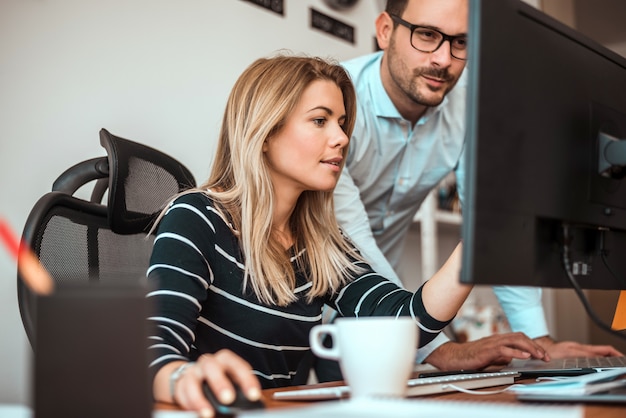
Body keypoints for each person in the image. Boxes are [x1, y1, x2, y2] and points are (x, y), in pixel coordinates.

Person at [145, 54, 548, 416]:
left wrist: (478, 241)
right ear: (265, 133)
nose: (341, 137)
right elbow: (153, 353)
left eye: (341, 123)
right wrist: (184, 378)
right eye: (320, 121)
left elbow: (406, 321)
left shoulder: (322, 245)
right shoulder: (196, 216)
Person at [330, 0, 622, 374]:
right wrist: (437, 347)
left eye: (461, 42)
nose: (444, 59)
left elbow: (493, 220)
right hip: (314, 285)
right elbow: (351, 238)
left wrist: (538, 341)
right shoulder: (337, 102)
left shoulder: (471, 101)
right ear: (385, 30)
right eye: (427, 35)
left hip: (386, 299)